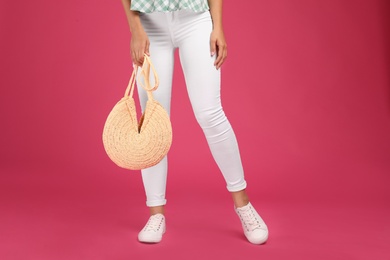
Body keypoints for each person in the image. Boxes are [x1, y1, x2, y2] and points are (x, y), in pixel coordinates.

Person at [120, 0, 269, 245]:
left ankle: (244, 205)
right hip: (149, 24)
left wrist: (217, 25)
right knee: (153, 122)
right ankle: (156, 214)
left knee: (210, 113)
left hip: (195, 18)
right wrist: (135, 30)